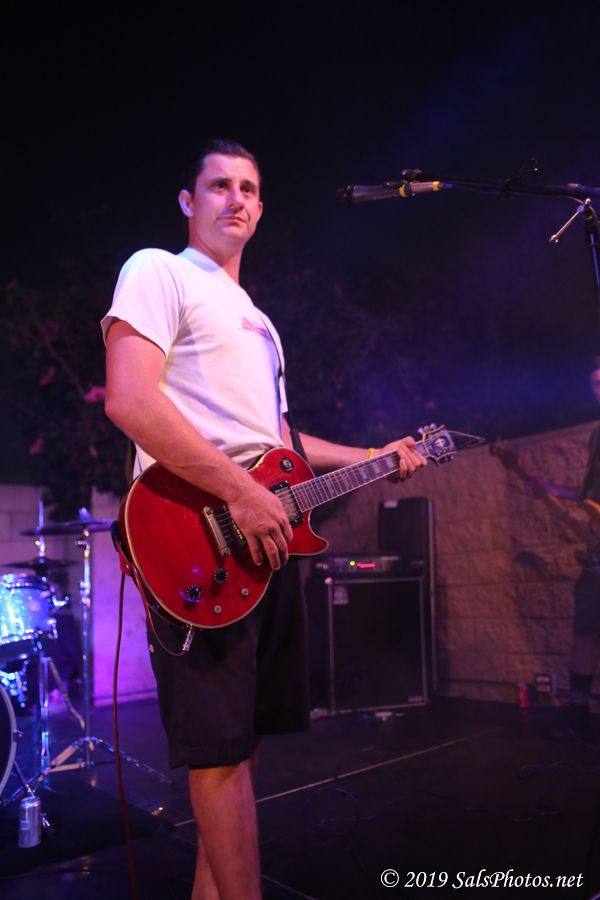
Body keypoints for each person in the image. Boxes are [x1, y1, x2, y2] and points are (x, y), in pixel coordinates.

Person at [102, 138, 425, 900]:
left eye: (248, 189)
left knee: (242, 745)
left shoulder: (261, 324)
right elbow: (130, 399)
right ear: (188, 201)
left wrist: (374, 455)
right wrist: (241, 496)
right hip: (193, 533)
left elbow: (280, 444)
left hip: (265, 542)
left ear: (261, 208)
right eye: (219, 185)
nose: (236, 199)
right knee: (217, 752)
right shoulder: (158, 271)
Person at [533, 360, 600, 744]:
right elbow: (592, 496)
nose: (599, 390)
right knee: (586, 631)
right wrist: (552, 489)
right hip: (596, 553)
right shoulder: (597, 436)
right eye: (595, 384)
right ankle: (577, 710)